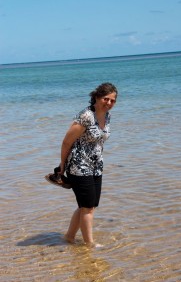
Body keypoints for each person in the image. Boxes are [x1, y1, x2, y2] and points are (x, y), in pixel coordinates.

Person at [46, 82, 118, 246]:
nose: (109, 103)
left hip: (96, 166)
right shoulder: (86, 116)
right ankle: (89, 244)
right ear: (96, 97)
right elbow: (66, 142)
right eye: (106, 99)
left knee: (88, 205)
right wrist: (62, 167)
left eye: (113, 100)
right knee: (88, 208)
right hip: (78, 167)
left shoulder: (107, 116)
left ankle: (69, 237)